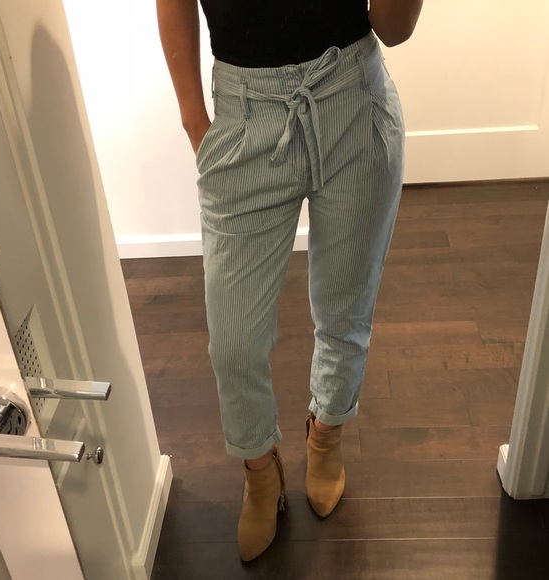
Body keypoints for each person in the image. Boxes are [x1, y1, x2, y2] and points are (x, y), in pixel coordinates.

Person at [156, 0, 424, 562]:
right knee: (234, 344)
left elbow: (394, 29)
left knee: (346, 311)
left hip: (353, 99)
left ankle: (326, 434)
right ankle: (260, 472)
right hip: (245, 117)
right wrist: (194, 120)